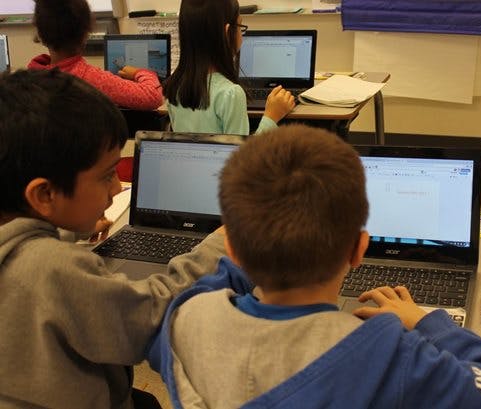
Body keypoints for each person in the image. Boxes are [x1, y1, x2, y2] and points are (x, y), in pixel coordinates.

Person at [147, 124, 481, 408]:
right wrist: (428, 323)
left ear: (230, 245)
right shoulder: (391, 356)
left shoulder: (183, 320)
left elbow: (206, 287)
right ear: (358, 250)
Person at [0, 69, 225, 408]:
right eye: (106, 176)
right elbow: (148, 318)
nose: (118, 188)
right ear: (44, 194)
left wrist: (64, 230)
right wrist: (220, 246)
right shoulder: (53, 269)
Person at [163, 0, 295, 135]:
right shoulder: (230, 94)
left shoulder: (174, 86)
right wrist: (271, 117)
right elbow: (243, 154)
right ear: (227, 33)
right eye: (240, 26)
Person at [27, 0, 163, 111]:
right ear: (85, 33)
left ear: (39, 33)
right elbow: (152, 97)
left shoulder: (29, 79)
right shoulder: (92, 80)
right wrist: (141, 72)